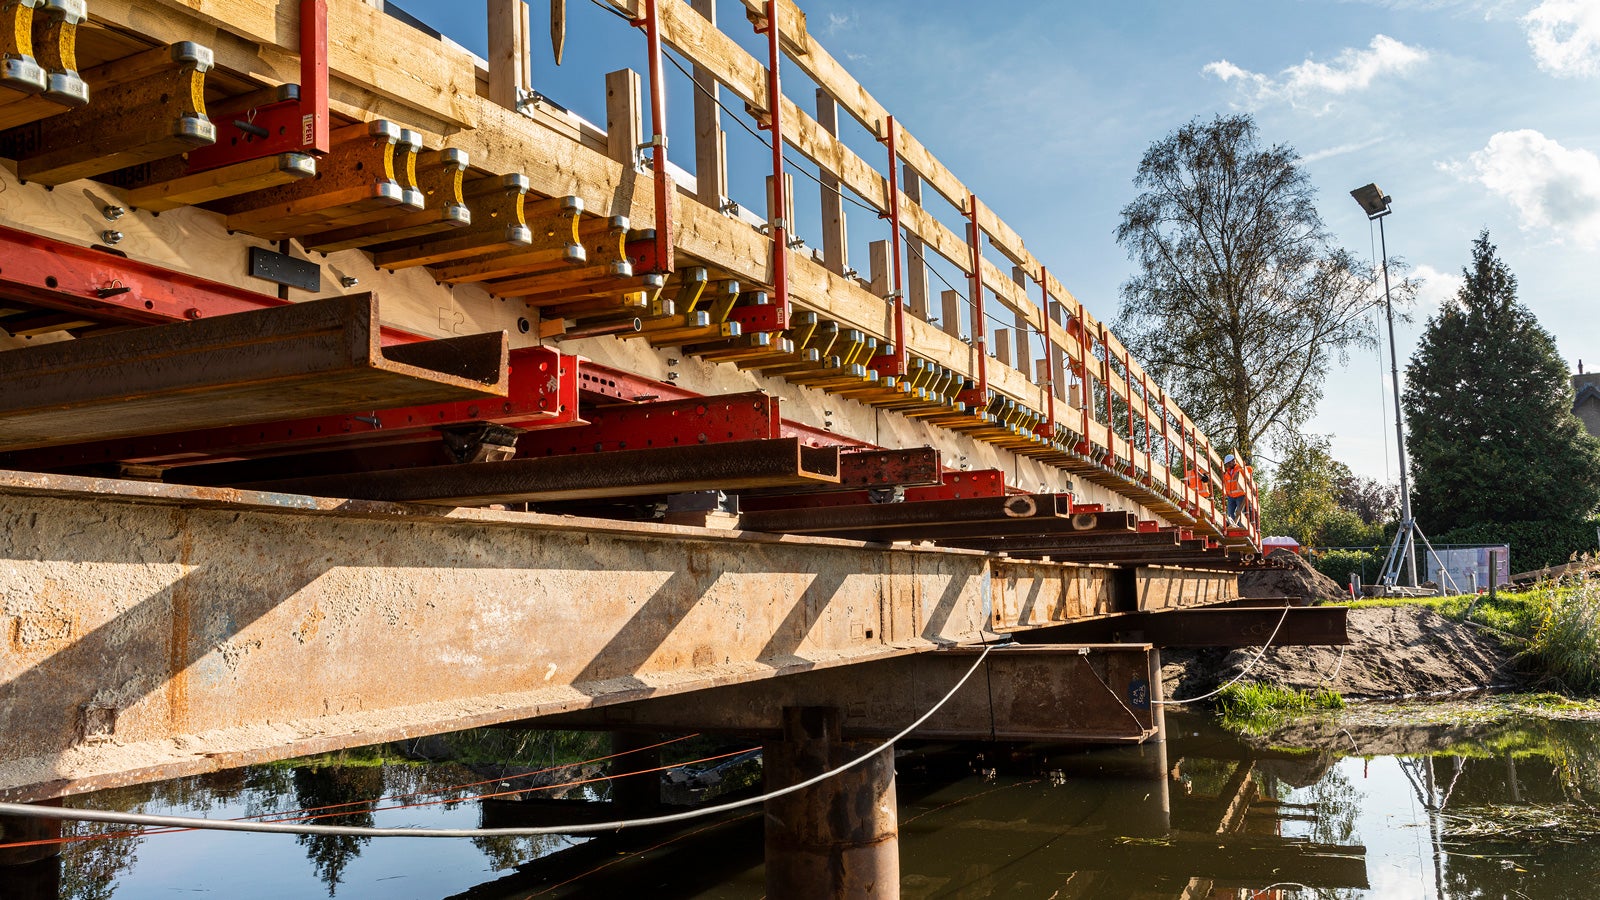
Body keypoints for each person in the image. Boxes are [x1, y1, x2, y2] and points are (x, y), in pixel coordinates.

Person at [1221, 453, 1248, 525]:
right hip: (1231, 496)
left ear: (1233, 461)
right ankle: (1233, 526)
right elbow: (1225, 483)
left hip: (1240, 495)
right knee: (1230, 513)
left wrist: (1240, 472)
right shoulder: (1227, 472)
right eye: (1227, 464)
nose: (1227, 465)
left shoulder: (1240, 468)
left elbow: (1250, 470)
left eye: (1228, 463)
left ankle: (1240, 527)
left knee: (1240, 513)